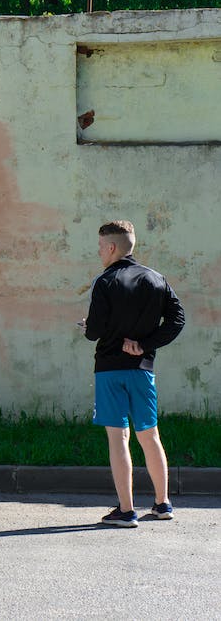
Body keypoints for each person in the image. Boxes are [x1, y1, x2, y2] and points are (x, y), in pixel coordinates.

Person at [83, 221, 185, 527]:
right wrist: (143, 345)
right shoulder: (157, 279)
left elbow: (95, 332)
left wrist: (88, 325)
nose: (99, 251)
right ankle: (162, 503)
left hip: (110, 370)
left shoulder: (105, 282)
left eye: (101, 246)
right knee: (150, 435)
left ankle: (126, 511)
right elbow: (177, 320)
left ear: (112, 247)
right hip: (143, 370)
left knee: (119, 438)